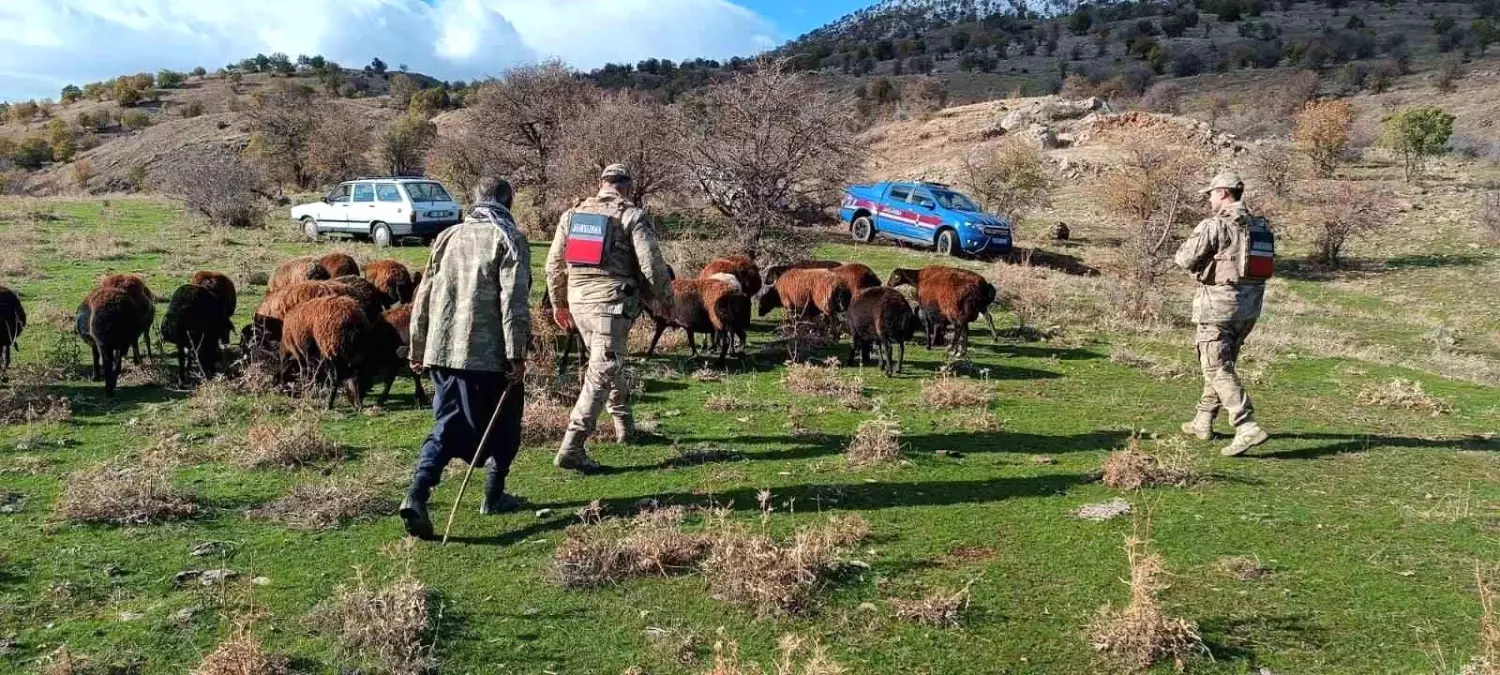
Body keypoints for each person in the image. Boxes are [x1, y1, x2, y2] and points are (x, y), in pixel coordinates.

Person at [400, 176, 531, 540]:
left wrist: (418, 346)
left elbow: (423, 292)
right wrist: (516, 354)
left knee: (464, 423)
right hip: (487, 355)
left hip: (442, 350)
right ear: (509, 200)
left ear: (475, 199)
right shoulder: (509, 239)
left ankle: (452, 492)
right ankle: (444, 493)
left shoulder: (447, 236)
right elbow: (513, 302)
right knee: (489, 425)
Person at [545, 164, 673, 473]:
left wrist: (559, 304)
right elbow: (651, 266)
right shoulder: (632, 215)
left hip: (578, 302)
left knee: (606, 362)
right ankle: (573, 445)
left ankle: (625, 427)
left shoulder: (572, 215)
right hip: (610, 304)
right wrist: (667, 302)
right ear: (627, 187)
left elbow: (553, 265)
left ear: (601, 183)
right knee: (602, 369)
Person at [1174, 171, 1273, 457]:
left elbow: (1184, 259)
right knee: (1221, 366)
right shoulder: (1260, 226)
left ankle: (1246, 425)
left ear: (1223, 193)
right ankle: (1202, 420)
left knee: (1216, 367)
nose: (1209, 198)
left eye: (1211, 193)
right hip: (1249, 308)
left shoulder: (1214, 225)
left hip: (1218, 307)